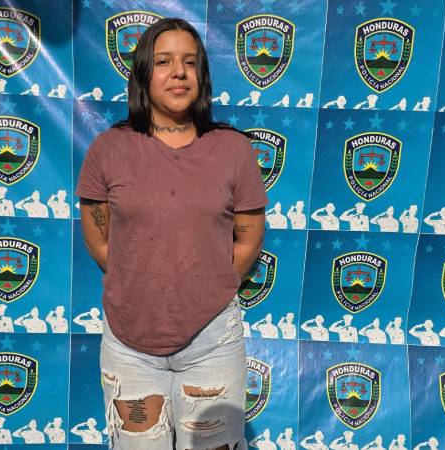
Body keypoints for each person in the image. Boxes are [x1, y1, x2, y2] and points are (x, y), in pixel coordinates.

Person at [75, 18, 267, 450]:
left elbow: (249, 240)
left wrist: (206, 284)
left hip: (213, 341)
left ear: (202, 75)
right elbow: (99, 239)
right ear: (144, 73)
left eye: (190, 62)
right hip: (129, 345)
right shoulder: (108, 149)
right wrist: (140, 279)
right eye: (163, 62)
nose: (179, 72)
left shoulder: (234, 150)